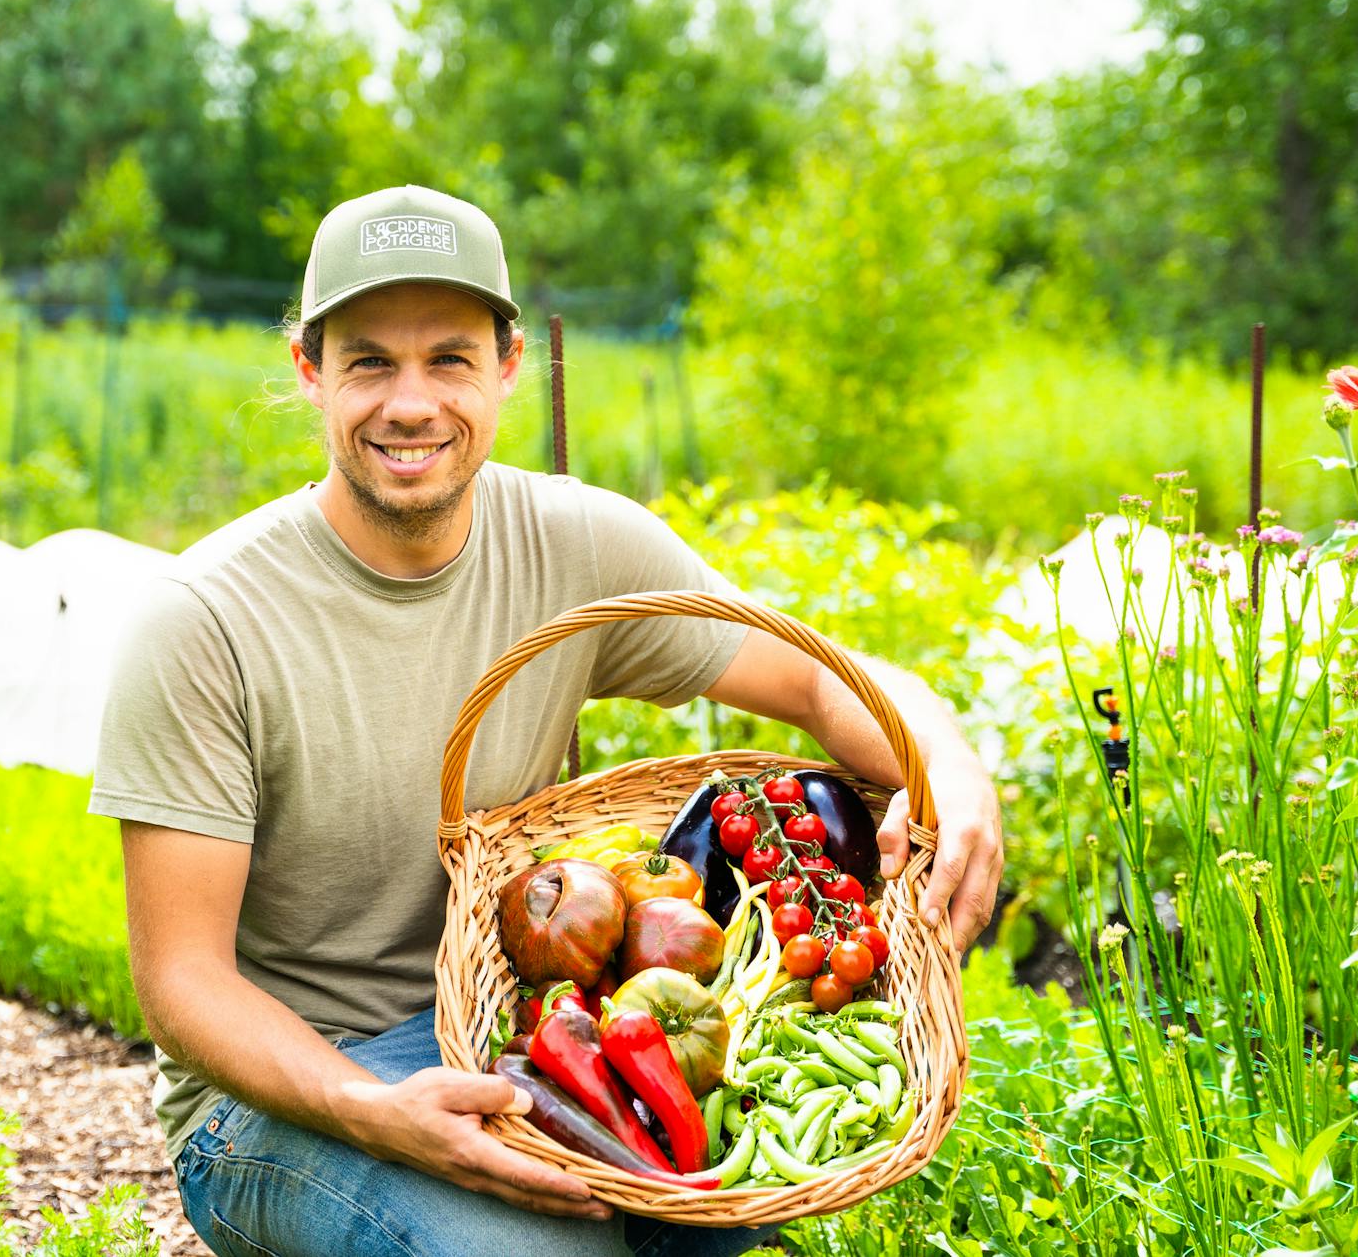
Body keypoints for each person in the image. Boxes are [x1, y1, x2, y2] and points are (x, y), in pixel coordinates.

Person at [89, 185, 1003, 1257]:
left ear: (510, 364)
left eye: (450, 359)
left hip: (509, 1029)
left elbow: (814, 678)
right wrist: (369, 1112)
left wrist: (946, 758)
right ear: (309, 370)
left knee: (708, 1203)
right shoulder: (206, 621)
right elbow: (182, 983)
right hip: (281, 1098)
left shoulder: (575, 547)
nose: (411, 403)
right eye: (370, 361)